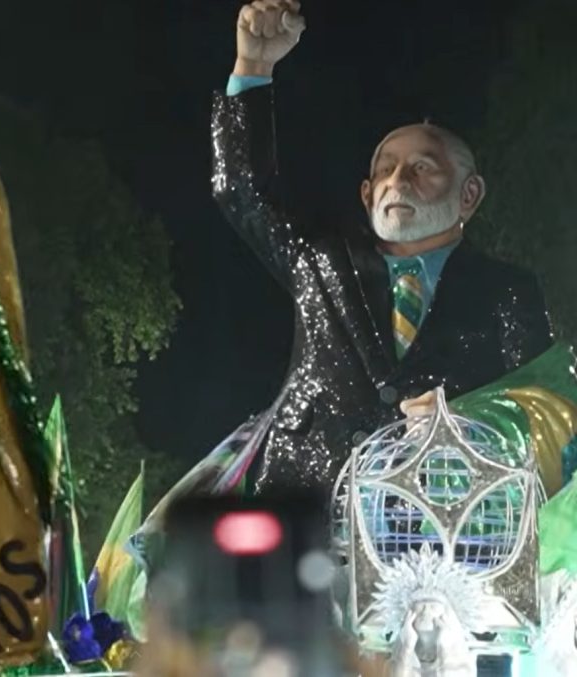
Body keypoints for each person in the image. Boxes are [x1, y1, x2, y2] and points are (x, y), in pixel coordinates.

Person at [211, 0, 553, 495]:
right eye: (385, 169)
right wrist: (253, 67)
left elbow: (541, 406)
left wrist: (469, 419)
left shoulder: (507, 291)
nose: (398, 180)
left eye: (422, 167)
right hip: (305, 501)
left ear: (470, 194)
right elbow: (242, 191)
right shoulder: (322, 261)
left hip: (437, 516)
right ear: (367, 194)